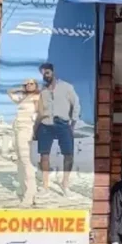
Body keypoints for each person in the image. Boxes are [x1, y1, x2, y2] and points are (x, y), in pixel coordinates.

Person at [37, 62, 80, 197]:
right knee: (44, 155)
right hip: (46, 124)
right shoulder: (42, 90)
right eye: (43, 74)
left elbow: (76, 105)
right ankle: (45, 187)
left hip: (63, 123)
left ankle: (65, 184)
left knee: (68, 155)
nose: (45, 75)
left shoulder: (66, 87)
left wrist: (73, 124)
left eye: (47, 72)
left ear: (53, 72)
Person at [7, 78, 40, 206]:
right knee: (20, 160)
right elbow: (9, 92)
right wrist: (20, 88)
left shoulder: (37, 97)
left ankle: (30, 194)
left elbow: (39, 114)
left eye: (31, 83)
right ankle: (22, 189)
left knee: (26, 161)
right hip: (17, 127)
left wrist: (35, 130)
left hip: (26, 129)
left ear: (36, 85)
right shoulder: (23, 97)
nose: (29, 85)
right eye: (26, 84)